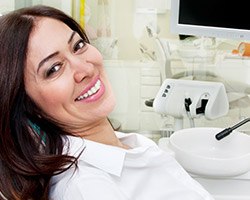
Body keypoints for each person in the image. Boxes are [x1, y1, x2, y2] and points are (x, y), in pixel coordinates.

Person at [0, 5, 215, 200]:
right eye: (54, 69)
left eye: (78, 46)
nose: (85, 69)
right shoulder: (87, 188)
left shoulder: (129, 144)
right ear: (27, 108)